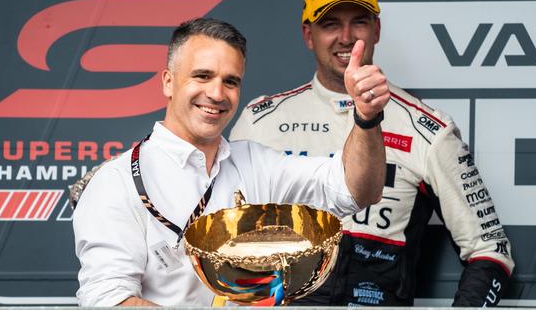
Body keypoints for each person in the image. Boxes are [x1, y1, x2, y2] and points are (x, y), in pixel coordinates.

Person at [230, 0, 515, 306]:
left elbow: (492, 251)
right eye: (330, 24)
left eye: (359, 22)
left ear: (377, 29)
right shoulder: (261, 120)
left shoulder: (427, 129)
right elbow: (223, 239)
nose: (346, 37)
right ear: (309, 35)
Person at [72, 17, 390, 306]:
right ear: (168, 82)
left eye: (230, 81)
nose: (217, 93)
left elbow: (357, 190)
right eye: (202, 76)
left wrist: (366, 117)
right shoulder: (117, 182)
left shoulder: (254, 163)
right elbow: (108, 300)